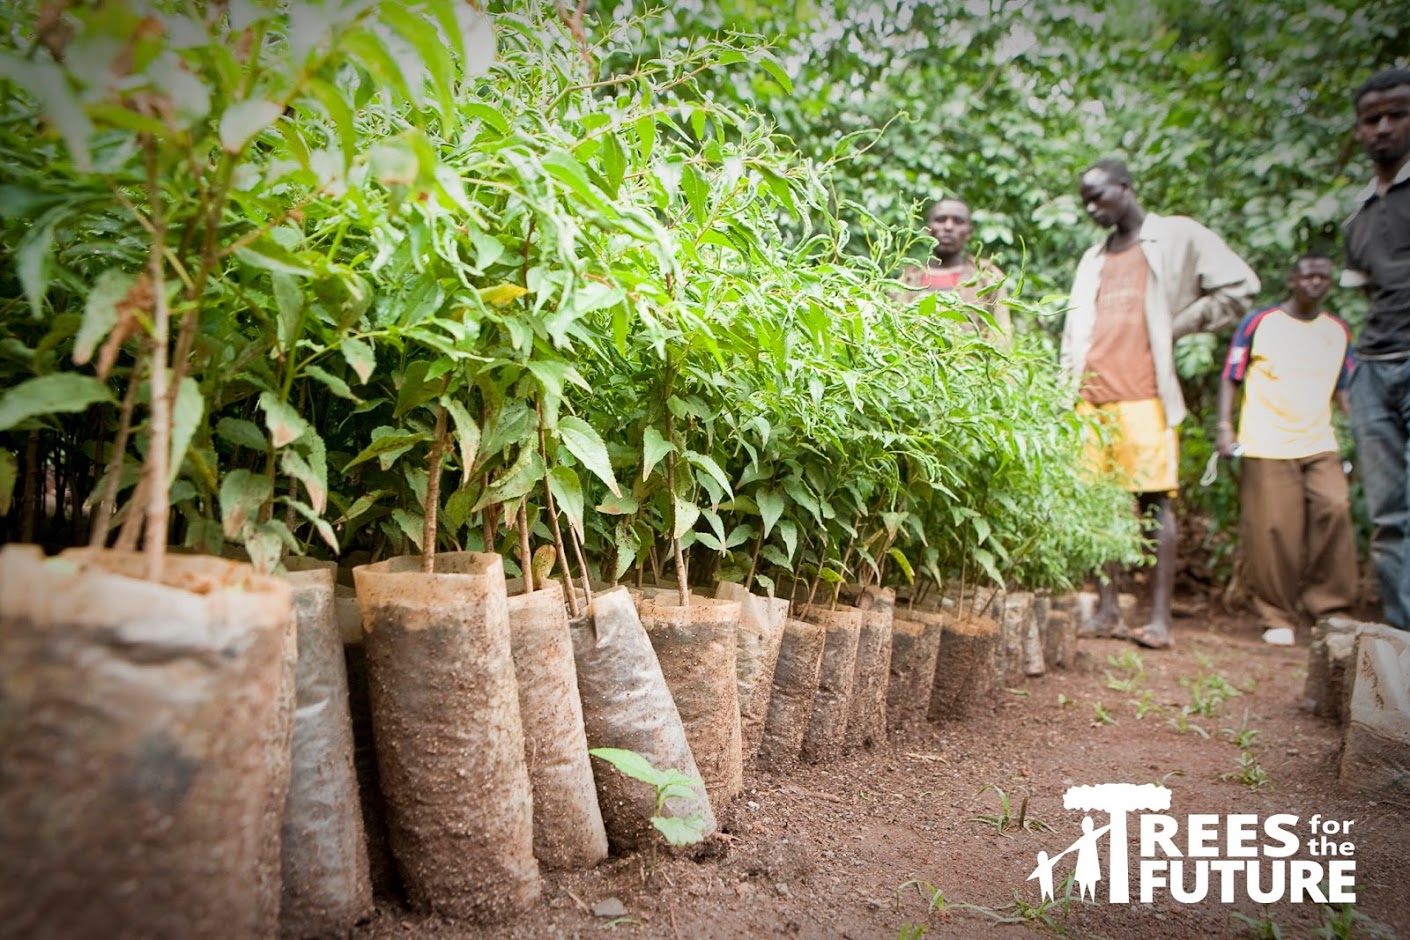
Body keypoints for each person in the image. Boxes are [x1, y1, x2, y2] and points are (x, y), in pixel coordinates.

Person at [1061, 158, 1260, 649]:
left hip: (1144, 396)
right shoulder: (1093, 257)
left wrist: (1176, 326)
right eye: (1085, 200)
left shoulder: (1174, 236)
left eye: (1099, 195)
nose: (1092, 207)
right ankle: (1107, 610)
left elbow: (1241, 286)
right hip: (1090, 396)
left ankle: (1158, 620)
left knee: (1153, 503)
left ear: (1125, 189)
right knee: (1101, 506)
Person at [1216, 253, 1358, 640]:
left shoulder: (1337, 331)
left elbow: (1345, 391)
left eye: (1323, 277)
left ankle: (1330, 607)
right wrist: (1225, 428)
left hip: (1319, 440)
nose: (1315, 282)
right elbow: (1232, 375)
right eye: (1308, 275)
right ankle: (1276, 616)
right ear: (1292, 280)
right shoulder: (1261, 323)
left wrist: (1361, 434)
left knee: (1336, 507)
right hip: (1266, 440)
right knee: (1274, 529)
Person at [1341, 68, 1410, 632]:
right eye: (1372, 119)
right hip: (1374, 368)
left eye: (1397, 114)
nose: (1383, 127)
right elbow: (1370, 293)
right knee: (1387, 515)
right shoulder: (1358, 218)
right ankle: (1402, 647)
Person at [898, 197, 1012, 342]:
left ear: (969, 232)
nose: (948, 227)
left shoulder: (987, 276)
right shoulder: (908, 278)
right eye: (940, 220)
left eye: (958, 221)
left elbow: (1002, 332)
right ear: (928, 229)